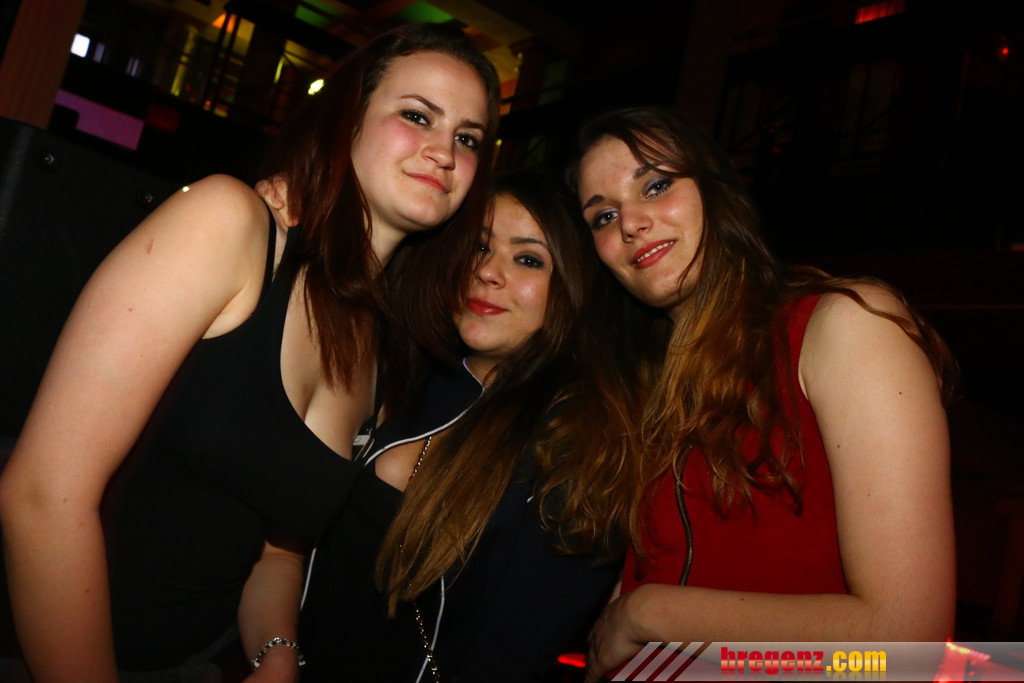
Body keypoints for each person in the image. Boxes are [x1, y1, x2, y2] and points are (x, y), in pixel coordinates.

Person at [0, 22, 499, 682]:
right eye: (417, 116)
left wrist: (277, 652)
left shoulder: (384, 350)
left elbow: (277, 547)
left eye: (468, 138)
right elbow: (41, 494)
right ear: (348, 119)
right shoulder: (230, 226)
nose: (444, 152)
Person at [568, 107, 957, 682]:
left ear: (716, 188)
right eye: (603, 215)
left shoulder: (842, 325)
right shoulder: (645, 387)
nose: (630, 223)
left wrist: (649, 614)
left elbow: (906, 636)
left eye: (655, 185)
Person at [297, 171, 628, 681]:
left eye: (528, 259)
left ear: (573, 288)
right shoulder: (397, 368)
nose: (488, 272)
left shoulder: (580, 444)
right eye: (479, 246)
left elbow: (508, 656)